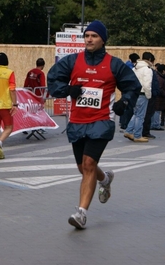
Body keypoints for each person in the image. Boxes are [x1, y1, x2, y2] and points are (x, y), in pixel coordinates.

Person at [47, 20, 141, 229]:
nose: (89, 39)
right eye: (87, 35)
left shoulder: (114, 64)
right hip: (77, 122)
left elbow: (132, 87)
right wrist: (67, 90)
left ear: (103, 40)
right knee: (83, 167)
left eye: (94, 36)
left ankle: (81, 213)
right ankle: (105, 179)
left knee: (88, 164)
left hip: (101, 121)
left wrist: (124, 102)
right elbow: (53, 80)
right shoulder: (72, 61)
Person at [124, 54, 153, 143]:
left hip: (134, 93)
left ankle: (129, 131)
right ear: (150, 59)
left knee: (135, 114)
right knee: (140, 116)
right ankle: (137, 135)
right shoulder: (147, 70)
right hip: (142, 93)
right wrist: (149, 95)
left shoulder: (135, 68)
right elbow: (147, 85)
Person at [141, 52, 160, 139]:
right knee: (147, 114)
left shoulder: (137, 68)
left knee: (139, 114)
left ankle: (138, 130)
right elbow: (149, 84)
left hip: (141, 94)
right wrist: (151, 94)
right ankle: (145, 132)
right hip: (149, 94)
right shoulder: (148, 70)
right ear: (149, 60)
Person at [120, 53, 140, 131]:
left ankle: (123, 122)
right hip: (129, 89)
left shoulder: (125, 65)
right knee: (129, 107)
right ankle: (125, 124)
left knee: (124, 104)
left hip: (124, 88)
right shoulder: (131, 67)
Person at [151, 64, 165, 131]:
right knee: (156, 111)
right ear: (163, 70)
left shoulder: (156, 76)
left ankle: (153, 124)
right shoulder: (160, 78)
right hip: (158, 97)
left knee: (155, 111)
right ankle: (155, 124)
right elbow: (160, 88)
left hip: (156, 96)